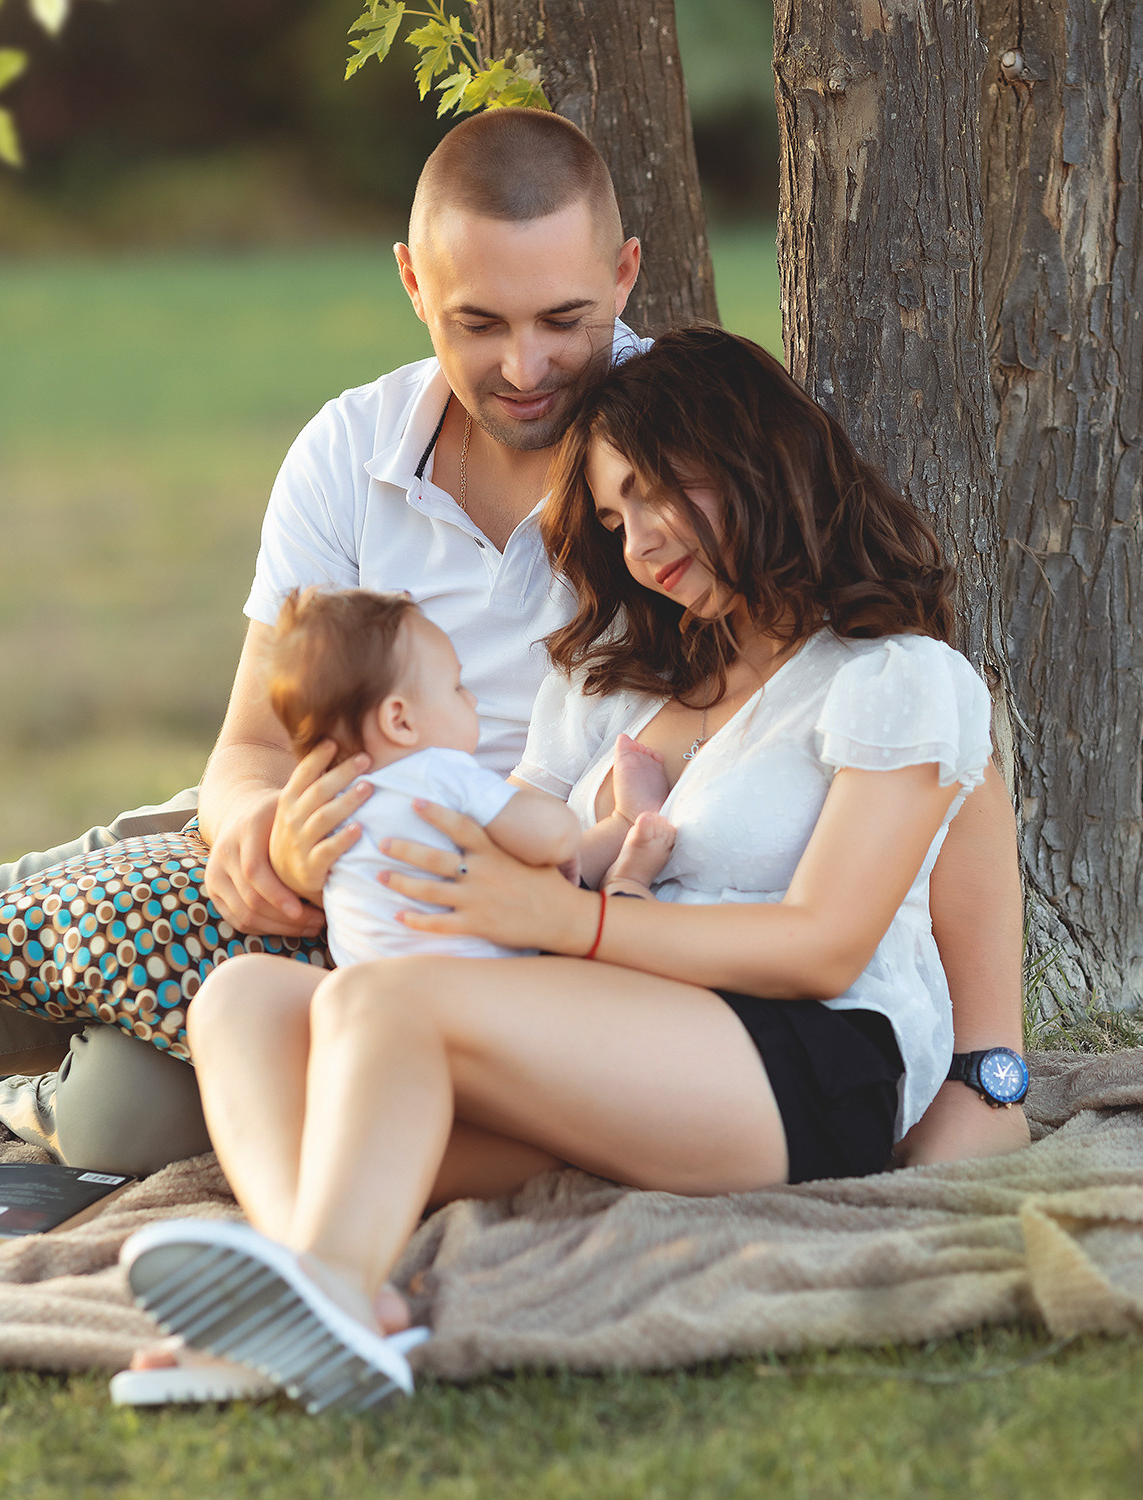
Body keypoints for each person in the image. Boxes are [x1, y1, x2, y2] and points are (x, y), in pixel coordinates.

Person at [0, 107, 1027, 1180]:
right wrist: (269, 835)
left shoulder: (693, 431)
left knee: (137, 1123)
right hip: (384, 877)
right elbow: (252, 746)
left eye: (561, 319)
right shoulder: (356, 458)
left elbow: (938, 739)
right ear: (414, 286)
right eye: (480, 324)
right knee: (91, 956)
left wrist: (991, 1068)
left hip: (550, 935)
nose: (526, 366)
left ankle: (68, 1125)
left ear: (623, 276)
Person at [121, 327, 1013, 1413]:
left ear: (752, 459)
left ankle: (330, 1292)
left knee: (390, 1006)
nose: (636, 542)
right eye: (610, 516)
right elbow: (510, 836)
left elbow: (823, 942)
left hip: (804, 1056)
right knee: (247, 999)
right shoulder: (617, 682)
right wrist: (346, 833)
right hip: (614, 1037)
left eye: (653, 495)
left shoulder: (895, 678)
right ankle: (315, 1289)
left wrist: (558, 919)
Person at [266, 586, 580, 965]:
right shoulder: (438, 773)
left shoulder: (328, 804)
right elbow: (555, 838)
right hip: (473, 985)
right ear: (400, 721)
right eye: (457, 687)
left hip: (362, 982)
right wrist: (568, 827)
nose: (473, 700)